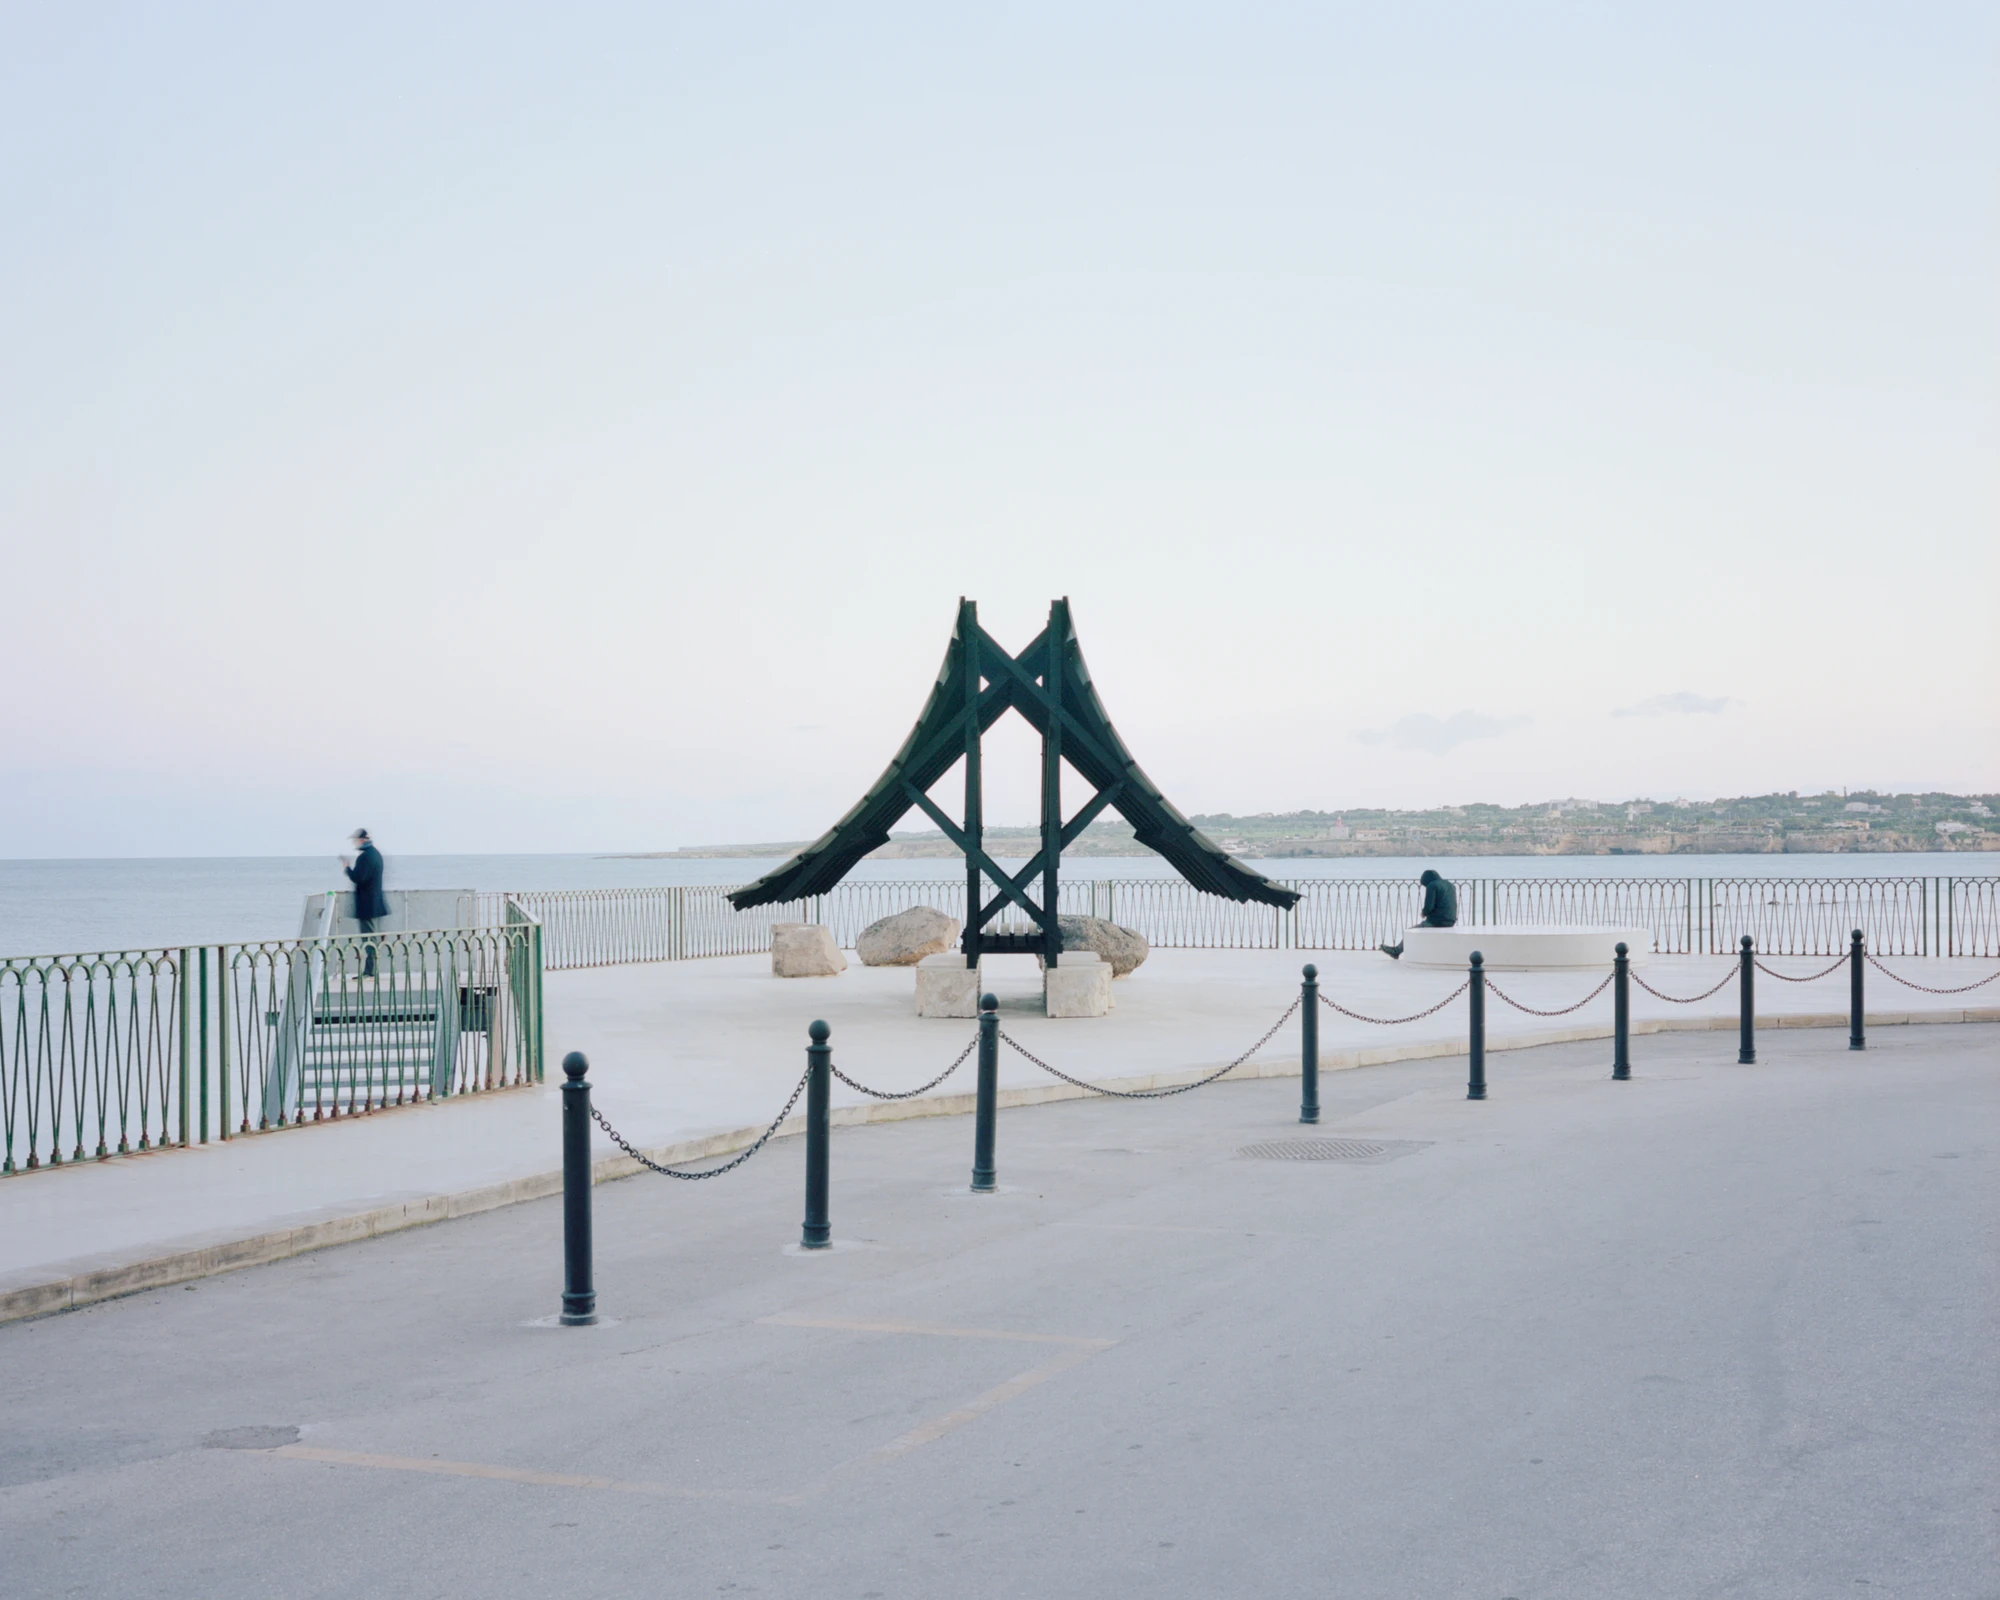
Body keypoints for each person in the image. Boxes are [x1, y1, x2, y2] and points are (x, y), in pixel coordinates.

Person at [340, 829, 388, 977]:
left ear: (361, 840)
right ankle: (371, 970)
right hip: (374, 903)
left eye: (355, 840)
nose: (354, 843)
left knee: (369, 939)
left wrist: (347, 868)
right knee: (373, 938)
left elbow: (358, 878)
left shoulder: (365, 857)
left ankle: (370, 971)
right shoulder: (375, 854)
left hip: (368, 905)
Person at [1381, 868, 1456, 959]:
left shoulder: (1432, 885)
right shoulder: (1450, 885)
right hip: (1451, 920)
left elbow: (1429, 906)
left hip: (1437, 921)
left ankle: (1396, 951)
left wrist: (1423, 913)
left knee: (1410, 931)